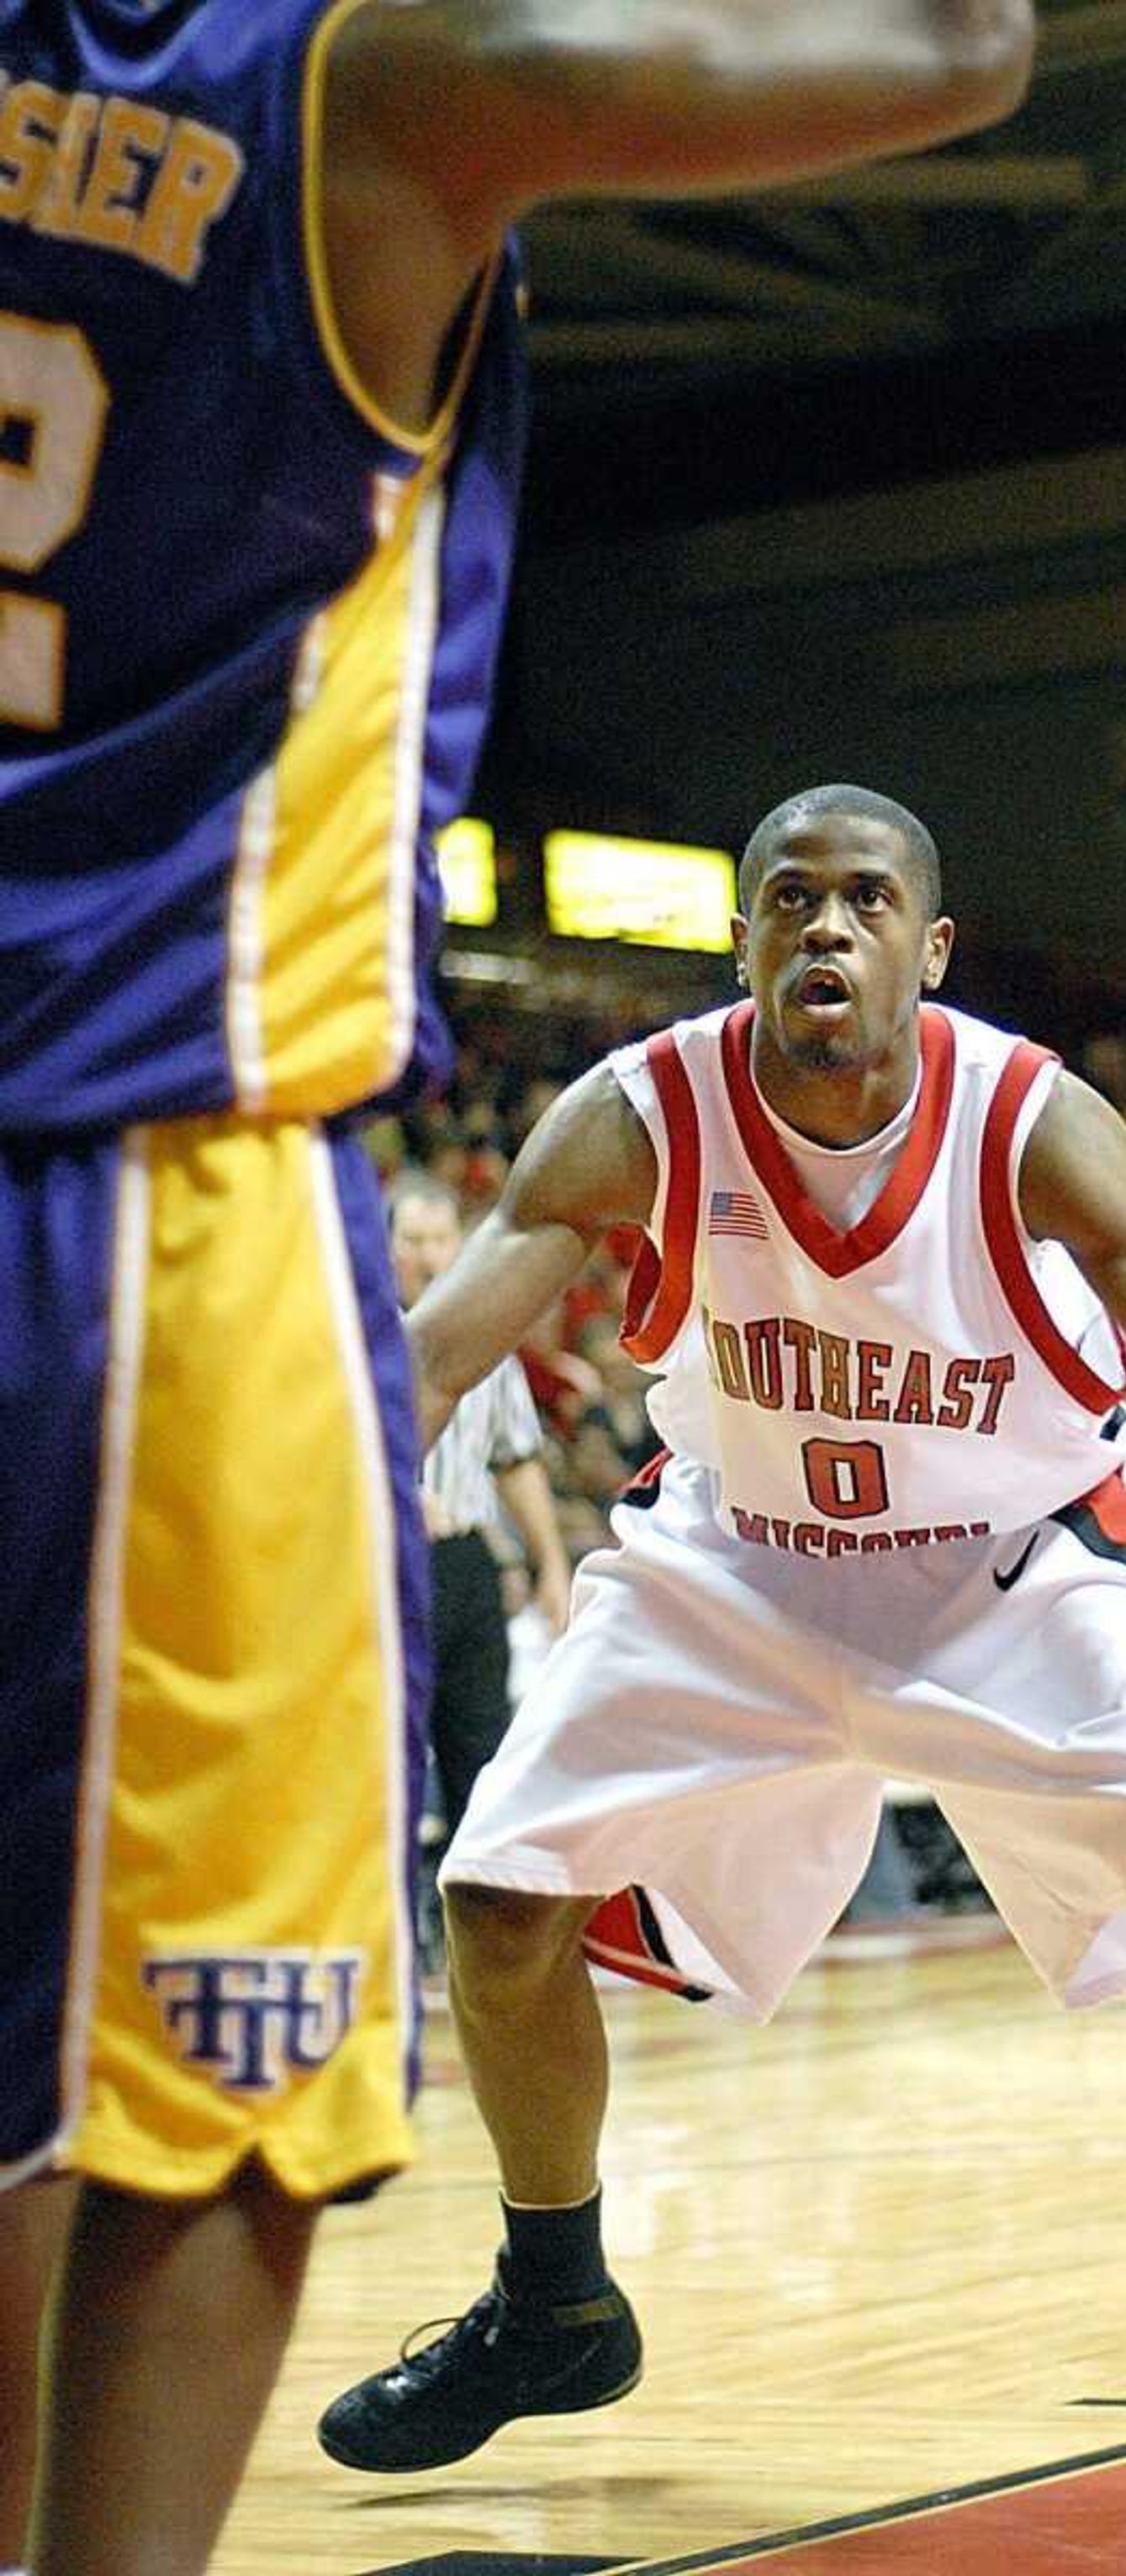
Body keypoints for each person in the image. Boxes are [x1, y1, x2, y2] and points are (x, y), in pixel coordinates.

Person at [0, 11, 1037, 2571]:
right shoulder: (358, 87)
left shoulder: (1008, 1104)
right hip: (148, 1170)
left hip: (972, 1563)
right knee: (195, 2061)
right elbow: (959, 42)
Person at [320, 786, 1126, 2532]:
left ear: (928, 946)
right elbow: (423, 1363)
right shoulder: (639, 1112)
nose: (825, 926)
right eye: (788, 899)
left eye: (866, 899)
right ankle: (557, 2298)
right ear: (741, 943)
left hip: (1010, 1568)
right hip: (741, 1559)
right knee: (496, 1901)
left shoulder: (1034, 1117)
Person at [390, 1171, 572, 1961]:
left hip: (466, 1561)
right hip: (389, 1560)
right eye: (415, 1241)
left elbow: (517, 1456)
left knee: (483, 1755)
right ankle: (394, 1934)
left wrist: (551, 1562)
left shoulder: (486, 1334)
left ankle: (488, 1943)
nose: (432, 1257)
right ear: (386, 1247)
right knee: (391, 1757)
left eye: (441, 1239)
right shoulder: (360, 1334)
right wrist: (393, 1497)